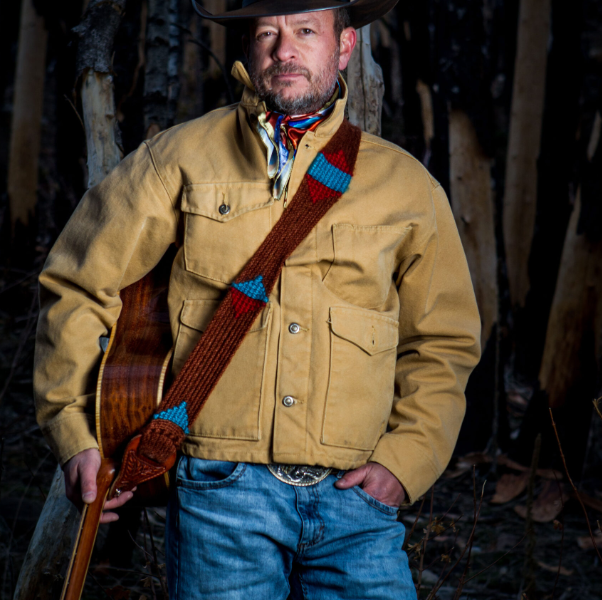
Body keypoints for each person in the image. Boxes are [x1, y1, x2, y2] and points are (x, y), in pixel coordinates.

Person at [34, 1, 481, 598]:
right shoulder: (179, 158)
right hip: (220, 495)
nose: (284, 50)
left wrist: (405, 463)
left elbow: (444, 342)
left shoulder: (407, 188)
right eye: (267, 32)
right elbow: (77, 281)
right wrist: (75, 434)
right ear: (247, 45)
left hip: (358, 503)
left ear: (345, 46)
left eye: (305, 31)